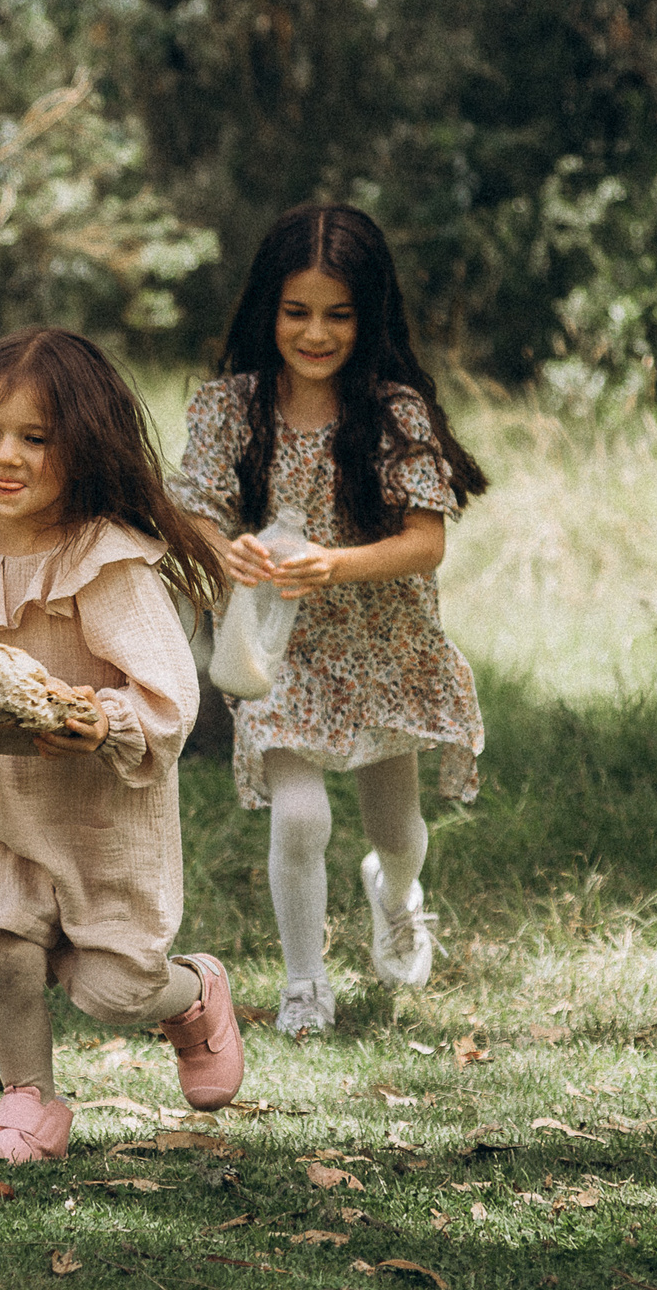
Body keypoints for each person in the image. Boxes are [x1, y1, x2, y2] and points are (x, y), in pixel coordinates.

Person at [0, 327, 239, 1166]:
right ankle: (30, 1107)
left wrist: (106, 720)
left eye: (36, 439)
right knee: (6, 955)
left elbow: (169, 693)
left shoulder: (105, 560)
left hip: (100, 817)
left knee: (113, 992)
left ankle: (194, 994)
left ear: (84, 448)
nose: (6, 457)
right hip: (2, 808)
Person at [178, 204, 489, 1035]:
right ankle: (305, 983)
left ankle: (396, 892)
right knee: (301, 816)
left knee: (398, 830)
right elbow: (191, 510)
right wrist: (225, 552)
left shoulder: (393, 413)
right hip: (277, 647)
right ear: (268, 310)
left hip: (381, 645)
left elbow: (426, 543)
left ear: (368, 315)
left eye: (338, 314)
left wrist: (335, 564)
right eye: (297, 311)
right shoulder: (230, 408)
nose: (315, 333)